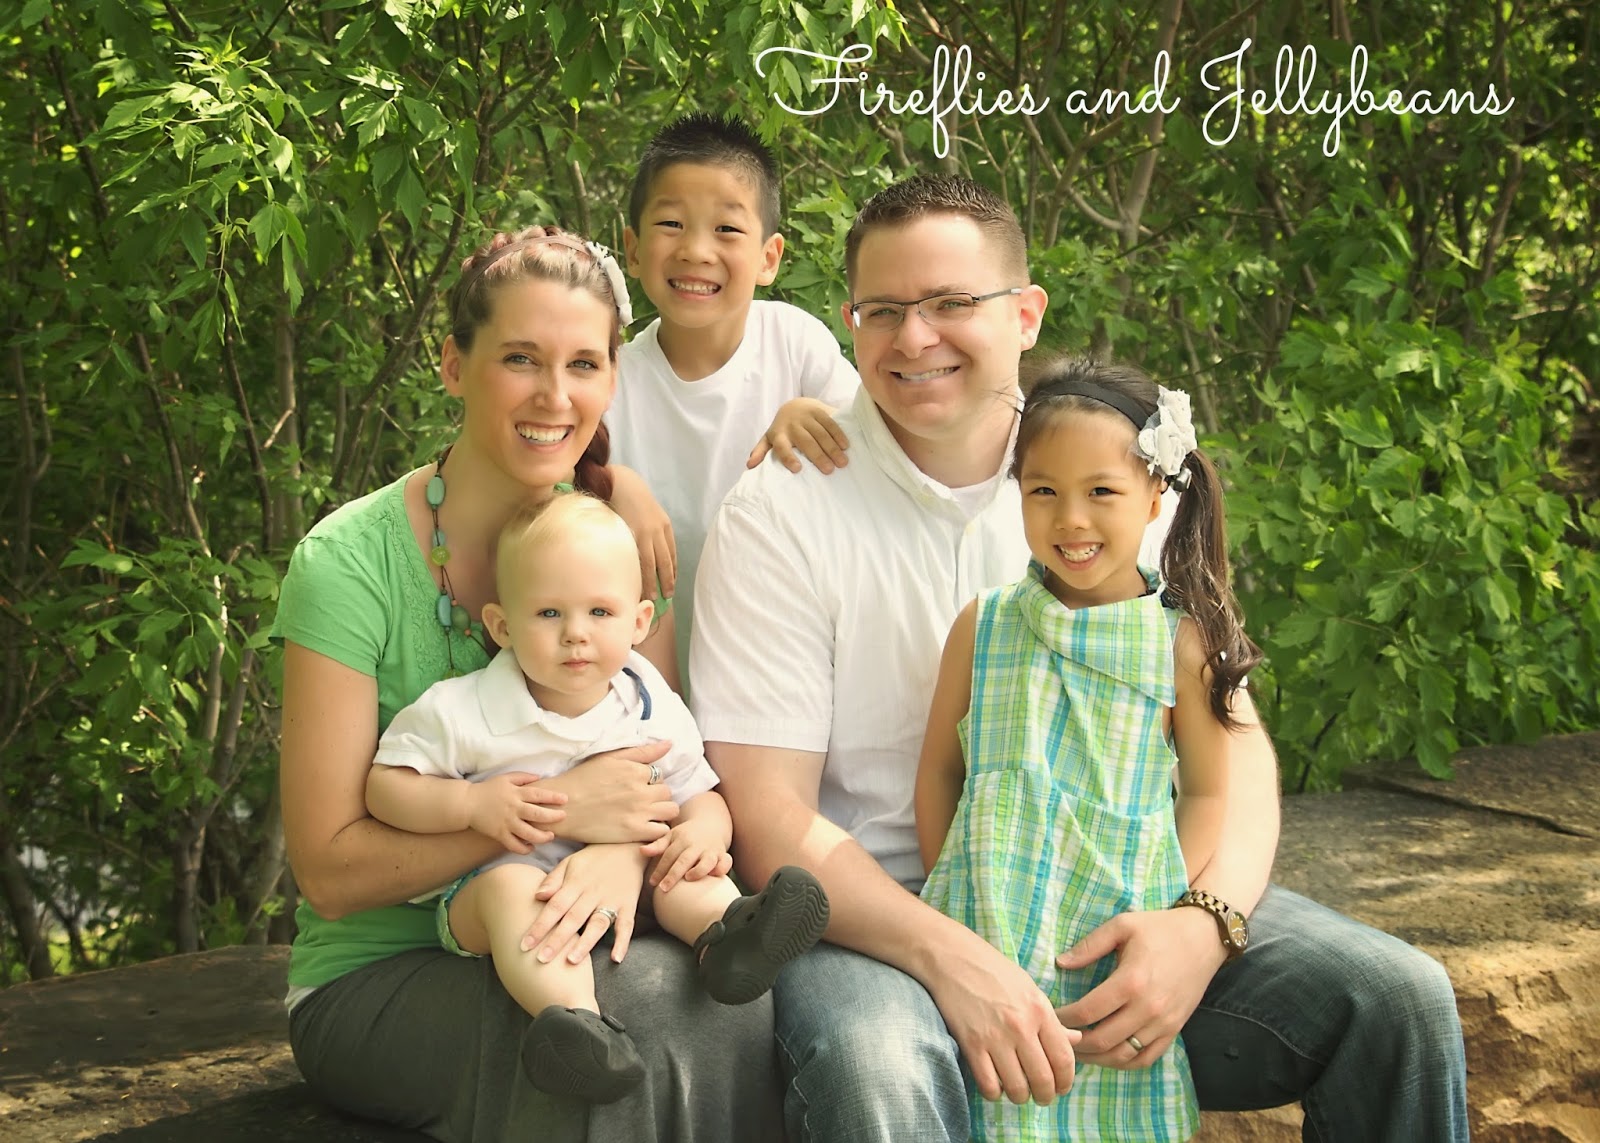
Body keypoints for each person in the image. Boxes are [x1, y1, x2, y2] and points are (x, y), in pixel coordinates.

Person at [690, 173, 1469, 1143]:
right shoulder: (783, 510)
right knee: (881, 1072)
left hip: (1118, 898)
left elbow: (1237, 757)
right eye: (881, 310)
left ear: (1024, 313)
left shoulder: (1114, 470)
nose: (913, 336)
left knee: (1393, 999)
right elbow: (770, 819)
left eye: (949, 302)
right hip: (878, 923)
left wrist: (1200, 925)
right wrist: (955, 957)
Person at [274, 225, 788, 1141]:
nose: (556, 395)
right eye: (520, 358)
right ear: (453, 365)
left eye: (583, 363)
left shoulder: (613, 551)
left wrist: (622, 850)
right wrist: (558, 812)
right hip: (377, 972)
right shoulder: (347, 564)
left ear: (612, 379)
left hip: (585, 915)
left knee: (718, 998)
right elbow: (329, 874)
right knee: (642, 1012)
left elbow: (650, 767)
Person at [364, 492, 829, 1105]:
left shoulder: (648, 702)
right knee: (513, 893)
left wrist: (704, 831)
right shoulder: (462, 709)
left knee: (684, 865)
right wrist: (471, 808)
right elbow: (385, 787)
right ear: (502, 626)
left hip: (629, 882)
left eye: (600, 612)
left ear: (639, 622)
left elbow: (700, 791)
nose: (576, 634)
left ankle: (729, 941)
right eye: (549, 613)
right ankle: (575, 1025)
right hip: (497, 890)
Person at [916, 360, 1261, 1141]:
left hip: (1105, 946)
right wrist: (957, 884)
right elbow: (940, 769)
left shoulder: (1180, 644)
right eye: (1044, 490)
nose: (1071, 519)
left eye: (1101, 490)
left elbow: (1209, 791)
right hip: (983, 936)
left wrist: (1161, 903)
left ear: (1154, 495)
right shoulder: (986, 625)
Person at [608, 111, 860, 683]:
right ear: (634, 249)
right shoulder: (613, 382)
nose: (697, 250)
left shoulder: (795, 345)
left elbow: (875, 448)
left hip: (787, 674)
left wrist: (813, 414)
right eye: (671, 223)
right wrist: (613, 483)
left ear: (769, 258)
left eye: (726, 229)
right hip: (649, 686)